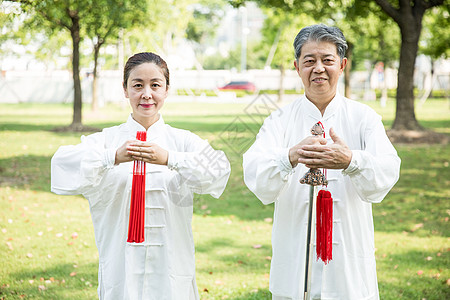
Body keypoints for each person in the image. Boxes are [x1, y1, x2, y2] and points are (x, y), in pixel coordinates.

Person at [51, 52, 230, 300]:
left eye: (155, 85)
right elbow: (60, 165)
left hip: (171, 267)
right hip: (120, 267)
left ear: (166, 90)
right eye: (137, 85)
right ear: (125, 90)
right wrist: (111, 157)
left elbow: (219, 170)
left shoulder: (182, 141)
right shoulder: (107, 140)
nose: (147, 94)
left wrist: (170, 159)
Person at [243, 24, 400, 300]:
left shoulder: (364, 118)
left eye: (327, 60)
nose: (318, 68)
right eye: (309, 61)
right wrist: (288, 157)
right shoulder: (279, 121)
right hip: (294, 258)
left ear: (342, 65)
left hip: (349, 261)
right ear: (296, 67)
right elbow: (255, 174)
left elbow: (387, 171)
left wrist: (351, 160)